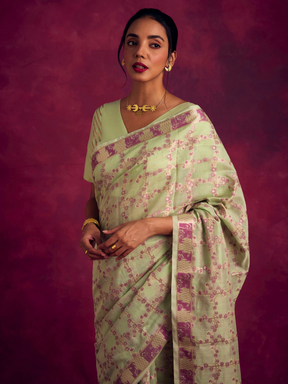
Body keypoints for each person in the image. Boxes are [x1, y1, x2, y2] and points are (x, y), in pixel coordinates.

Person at [80, 8, 249, 384]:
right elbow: (97, 194)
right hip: (113, 277)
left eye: (154, 45)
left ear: (170, 58)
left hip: (169, 279)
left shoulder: (191, 122)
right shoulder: (102, 118)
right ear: (122, 52)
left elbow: (224, 210)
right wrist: (89, 224)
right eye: (132, 42)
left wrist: (147, 226)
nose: (141, 52)